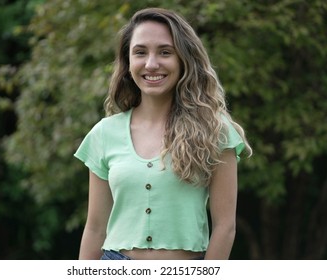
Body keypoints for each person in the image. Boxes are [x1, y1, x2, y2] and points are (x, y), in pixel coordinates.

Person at [74, 7, 252, 260]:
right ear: (127, 62)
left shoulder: (216, 131)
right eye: (140, 52)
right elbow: (94, 229)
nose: (151, 64)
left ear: (184, 59)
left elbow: (225, 227)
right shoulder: (104, 133)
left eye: (165, 52)